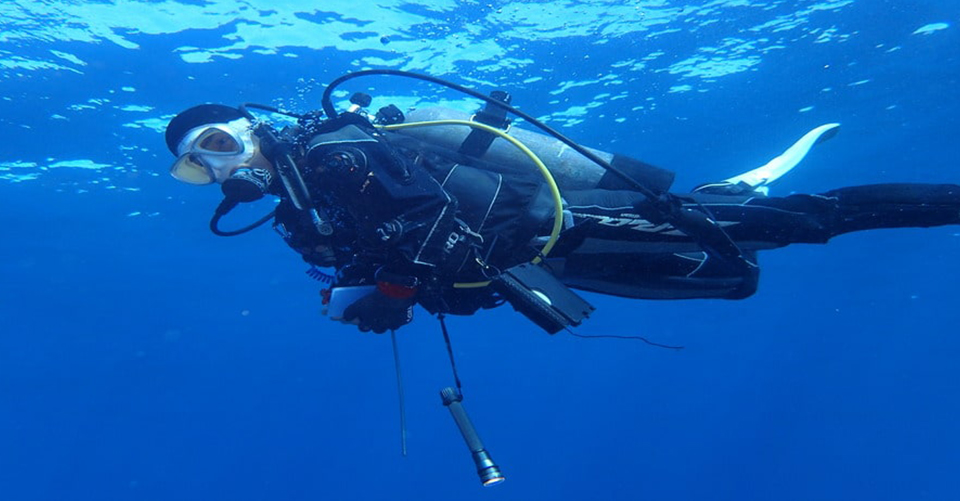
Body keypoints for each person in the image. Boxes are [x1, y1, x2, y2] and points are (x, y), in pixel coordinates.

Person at [164, 79, 960, 335]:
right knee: (736, 275)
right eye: (201, 164)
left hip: (554, 225)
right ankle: (724, 196)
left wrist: (397, 293)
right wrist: (368, 292)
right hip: (542, 258)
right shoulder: (299, 207)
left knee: (799, 226)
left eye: (220, 143)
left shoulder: (334, 153)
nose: (218, 167)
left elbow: (431, 225)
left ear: (249, 129)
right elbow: (397, 255)